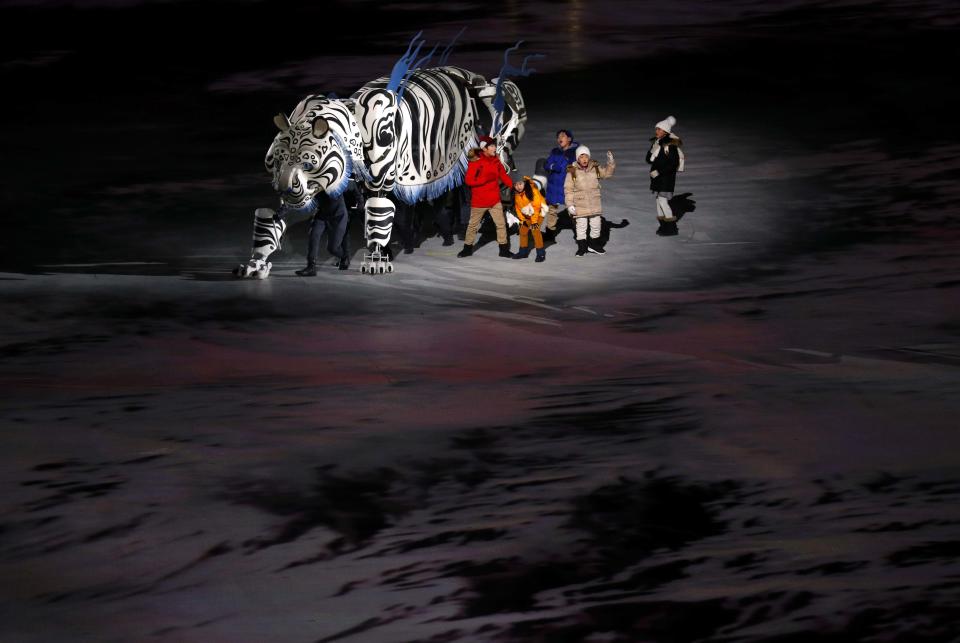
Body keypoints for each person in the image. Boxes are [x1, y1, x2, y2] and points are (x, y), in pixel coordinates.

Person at [458, 135, 514, 258]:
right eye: (492, 146)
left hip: (494, 200)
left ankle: (503, 249)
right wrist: (484, 179)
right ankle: (467, 248)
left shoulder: (496, 160)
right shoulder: (476, 162)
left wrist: (513, 187)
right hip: (479, 201)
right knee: (472, 226)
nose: (495, 148)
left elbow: (503, 176)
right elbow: (469, 180)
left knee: (501, 224)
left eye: (495, 145)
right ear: (485, 148)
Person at [564, 145, 616, 257]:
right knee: (581, 227)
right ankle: (582, 248)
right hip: (580, 204)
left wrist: (610, 162)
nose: (584, 159)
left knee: (596, 225)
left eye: (586, 156)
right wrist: (569, 205)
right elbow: (568, 189)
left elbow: (607, 173)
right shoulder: (572, 171)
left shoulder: (595, 168)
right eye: (581, 157)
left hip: (594, 203)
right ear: (577, 158)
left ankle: (593, 245)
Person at [646, 115, 685, 236]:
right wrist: (652, 149)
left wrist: (659, 172)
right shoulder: (658, 143)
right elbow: (649, 160)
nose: (656, 131)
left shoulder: (670, 145)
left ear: (665, 131)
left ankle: (671, 228)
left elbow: (673, 164)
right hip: (658, 179)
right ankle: (663, 226)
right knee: (659, 201)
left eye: (659, 129)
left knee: (662, 201)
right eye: (656, 128)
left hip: (666, 178)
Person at [294, 191, 349, 276]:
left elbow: (352, 186)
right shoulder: (312, 181)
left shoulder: (335, 180)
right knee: (314, 234)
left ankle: (344, 257)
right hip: (322, 214)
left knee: (332, 248)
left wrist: (360, 201)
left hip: (338, 216)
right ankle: (311, 267)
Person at [542, 129, 579, 242]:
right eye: (558, 136)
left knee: (572, 210)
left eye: (562, 136)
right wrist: (553, 167)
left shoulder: (575, 152)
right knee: (552, 210)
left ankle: (579, 232)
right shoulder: (555, 151)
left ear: (569, 139)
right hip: (554, 185)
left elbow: (576, 168)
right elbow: (547, 164)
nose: (559, 138)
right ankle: (550, 233)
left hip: (567, 185)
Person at [511, 175, 549, 262]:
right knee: (522, 231)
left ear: (524, 184)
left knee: (535, 230)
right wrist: (522, 220)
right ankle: (523, 252)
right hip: (526, 215)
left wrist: (534, 222)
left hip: (538, 214)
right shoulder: (516, 194)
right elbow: (518, 208)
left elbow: (536, 207)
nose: (518, 187)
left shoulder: (532, 191)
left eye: (520, 184)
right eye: (516, 185)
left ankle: (541, 253)